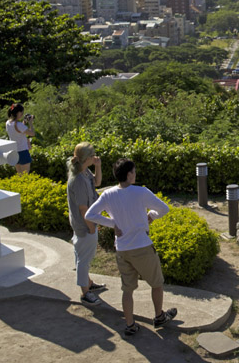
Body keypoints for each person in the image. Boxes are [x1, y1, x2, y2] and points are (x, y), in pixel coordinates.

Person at [84, 158, 177, 337]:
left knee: (127, 289)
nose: (135, 174)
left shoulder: (108, 194)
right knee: (157, 283)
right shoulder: (141, 192)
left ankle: (130, 325)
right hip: (142, 246)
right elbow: (164, 209)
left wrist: (112, 223)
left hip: (122, 249)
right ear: (129, 174)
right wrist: (151, 215)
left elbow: (90, 214)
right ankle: (159, 316)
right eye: (133, 171)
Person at [66, 142, 105, 305]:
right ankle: (85, 293)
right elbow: (83, 209)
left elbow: (97, 182)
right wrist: (91, 227)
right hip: (85, 225)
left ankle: (88, 283)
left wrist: (98, 166)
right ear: (87, 158)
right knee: (84, 260)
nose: (95, 156)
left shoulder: (83, 172)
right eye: (93, 155)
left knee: (80, 255)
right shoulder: (79, 181)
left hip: (83, 224)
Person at [5, 103, 35, 174]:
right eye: (21, 112)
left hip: (15, 151)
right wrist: (30, 122)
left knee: (20, 175)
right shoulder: (19, 125)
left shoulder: (8, 123)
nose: (22, 114)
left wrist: (24, 122)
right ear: (18, 112)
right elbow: (32, 133)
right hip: (23, 152)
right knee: (25, 176)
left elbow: (18, 130)